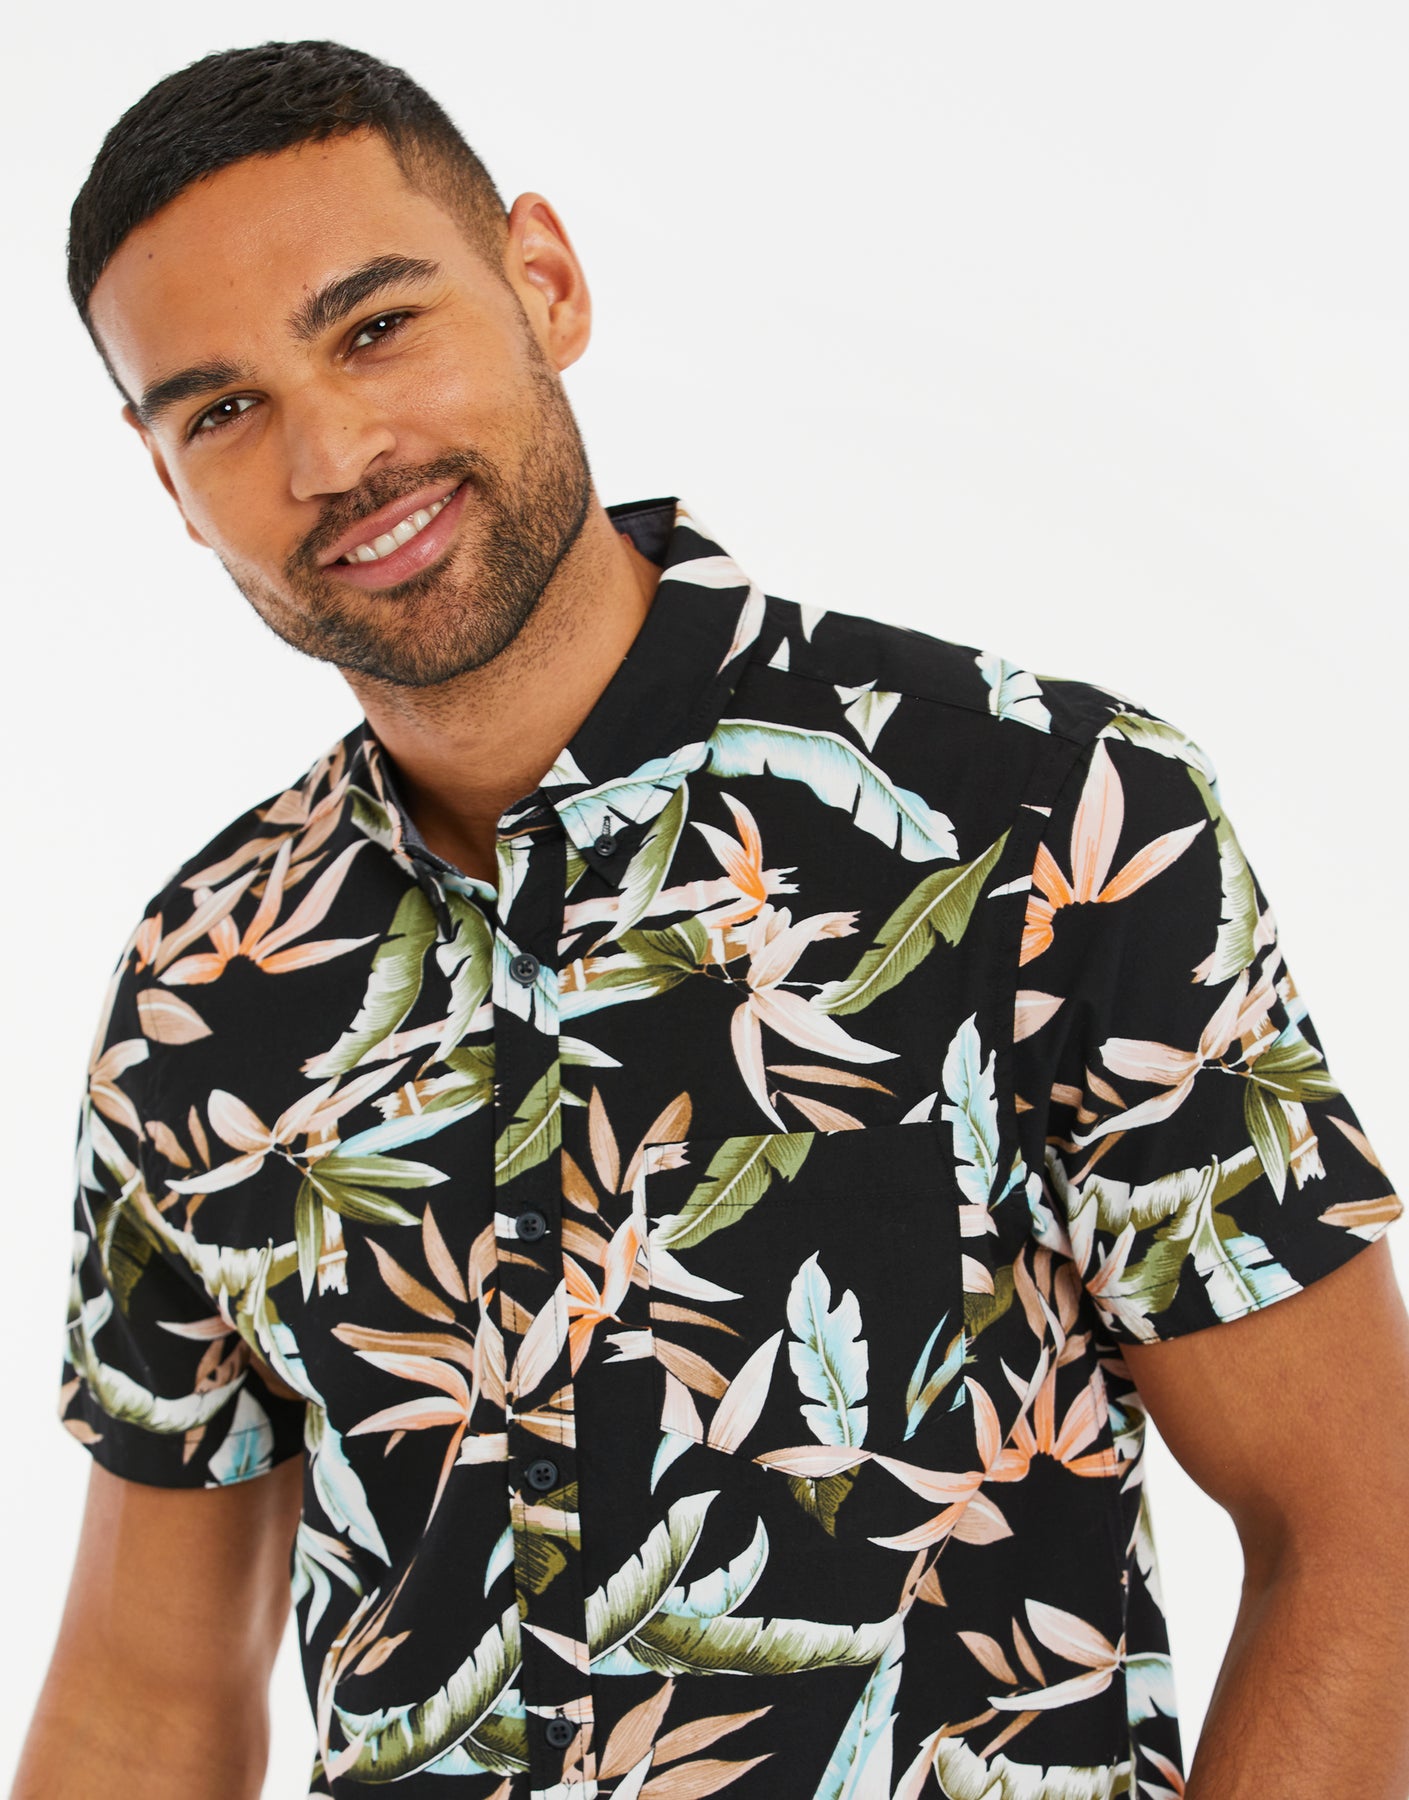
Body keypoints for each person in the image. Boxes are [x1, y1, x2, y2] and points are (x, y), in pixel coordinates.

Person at [13, 37, 1409, 1800]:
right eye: (221, 410)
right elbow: (145, 1698)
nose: (337, 452)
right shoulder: (205, 984)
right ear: (165, 480)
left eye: (377, 328)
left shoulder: (1041, 815)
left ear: (543, 280)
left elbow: (1358, 1529)